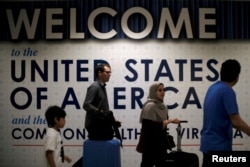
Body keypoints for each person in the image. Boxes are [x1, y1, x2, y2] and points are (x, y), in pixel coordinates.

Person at [200, 59, 250, 167]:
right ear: (237, 76)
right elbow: (236, 122)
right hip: (219, 147)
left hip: (207, 145)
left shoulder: (212, 88)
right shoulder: (227, 91)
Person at [136, 82, 180, 167]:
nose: (163, 92)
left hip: (161, 143)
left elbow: (163, 124)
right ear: (153, 92)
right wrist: (169, 121)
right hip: (150, 144)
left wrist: (169, 121)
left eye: (163, 90)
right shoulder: (150, 106)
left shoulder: (163, 106)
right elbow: (149, 126)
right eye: (159, 90)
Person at [83, 63, 122, 143]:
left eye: (110, 72)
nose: (109, 74)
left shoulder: (102, 87)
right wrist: (99, 112)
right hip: (95, 126)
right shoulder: (95, 87)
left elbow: (103, 108)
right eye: (107, 72)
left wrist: (111, 121)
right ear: (99, 73)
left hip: (100, 124)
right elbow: (86, 105)